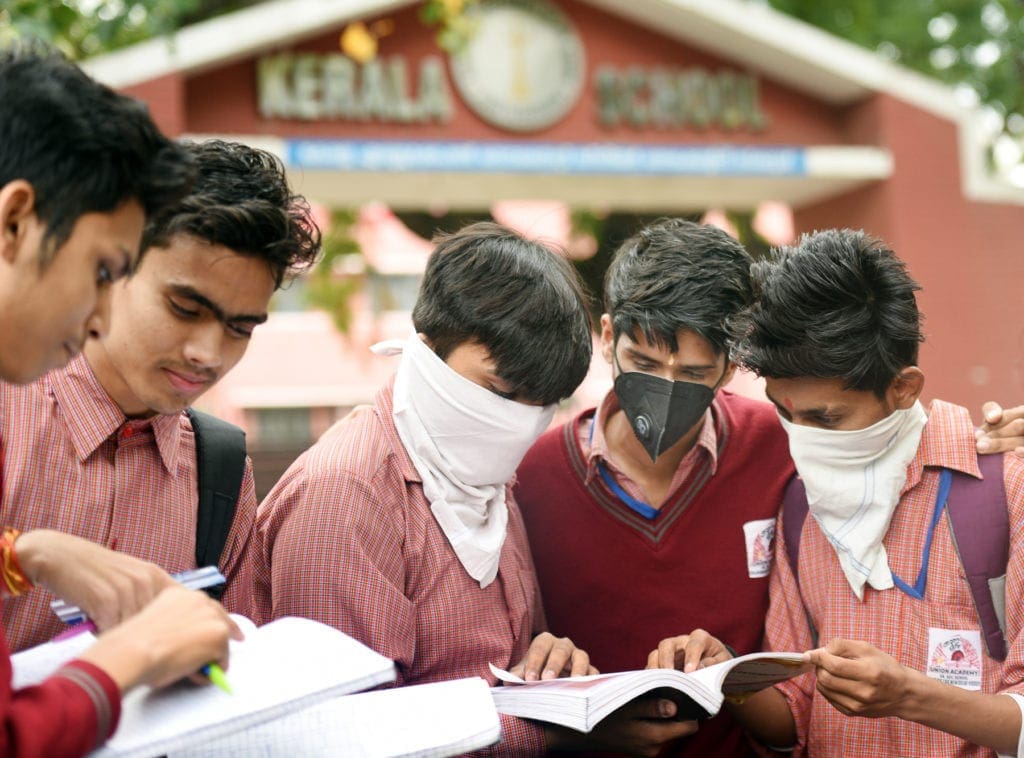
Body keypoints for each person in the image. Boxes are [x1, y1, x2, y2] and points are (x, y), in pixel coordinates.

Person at [248, 222, 698, 754]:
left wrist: (547, 663)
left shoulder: (479, 471)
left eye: (541, 404)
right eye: (500, 391)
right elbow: (348, 733)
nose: (517, 423)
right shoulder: (346, 496)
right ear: (429, 346)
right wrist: (560, 734)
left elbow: (487, 663)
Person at [658, 228, 1024, 756]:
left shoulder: (1003, 490)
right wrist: (725, 678)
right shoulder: (800, 507)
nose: (803, 439)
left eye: (824, 418)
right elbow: (794, 717)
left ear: (903, 388)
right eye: (786, 415)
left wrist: (910, 697)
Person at [0, 42, 240, 756]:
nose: (102, 315)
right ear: (16, 221)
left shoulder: (222, 464)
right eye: (103, 272)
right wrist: (136, 654)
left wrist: (22, 555)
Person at [0, 137, 321, 652]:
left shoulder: (219, 470)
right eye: (185, 309)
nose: (208, 353)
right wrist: (26, 558)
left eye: (240, 328)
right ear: (112, 269)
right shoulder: (8, 408)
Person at [514, 218, 795, 756]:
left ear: (731, 365)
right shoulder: (530, 476)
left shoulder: (782, 449)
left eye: (692, 373)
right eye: (642, 363)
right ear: (605, 337)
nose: (665, 390)